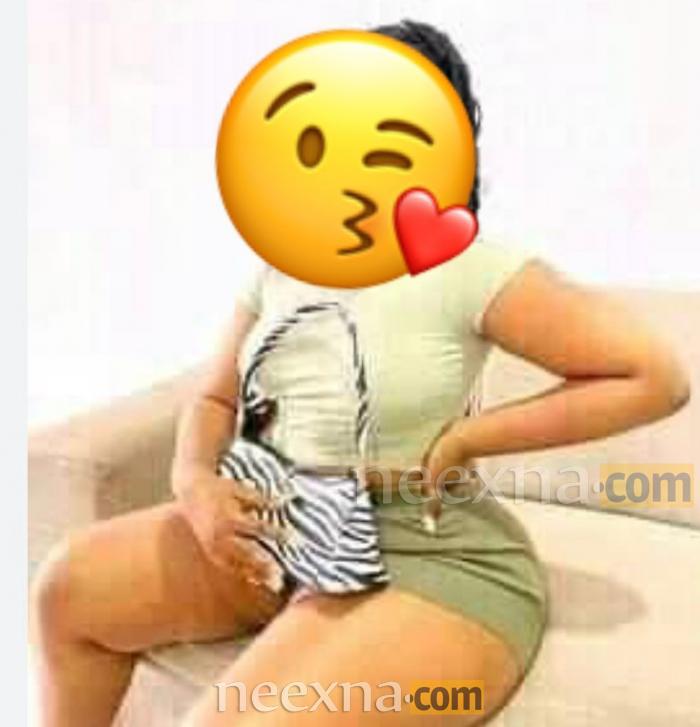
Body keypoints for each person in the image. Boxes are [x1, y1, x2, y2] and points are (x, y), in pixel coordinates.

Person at [30, 19, 690, 726]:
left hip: (428, 553)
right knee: (68, 590)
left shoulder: (465, 264)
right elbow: (216, 396)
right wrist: (196, 485)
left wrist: (470, 439)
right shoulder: (289, 259)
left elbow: (652, 375)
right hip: (282, 530)